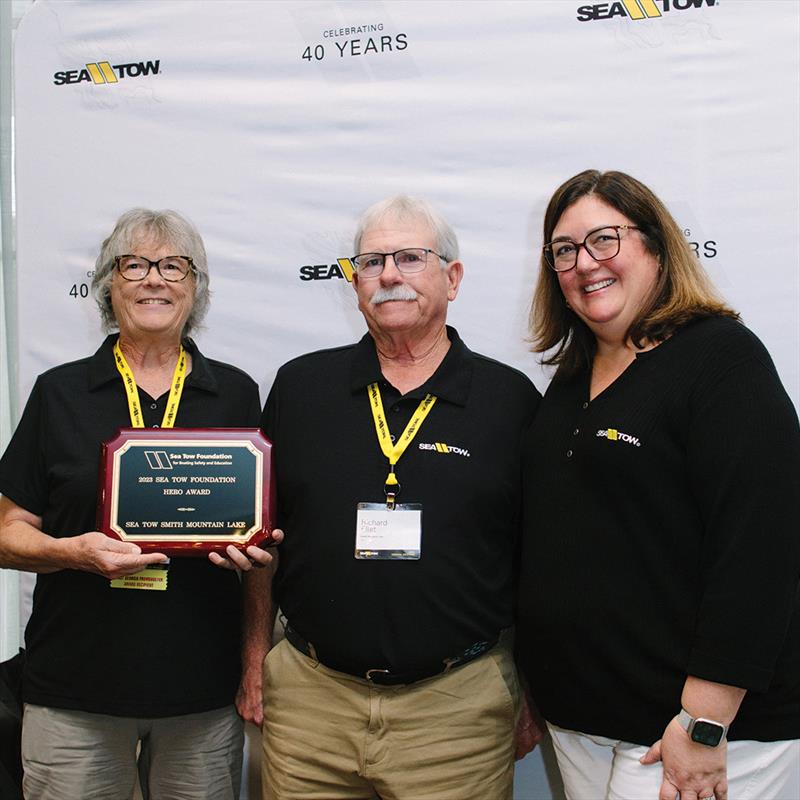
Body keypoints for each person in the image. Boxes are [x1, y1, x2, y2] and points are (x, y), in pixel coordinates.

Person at [516, 169, 800, 800]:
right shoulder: (571, 381)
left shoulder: (724, 362)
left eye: (604, 240)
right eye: (564, 250)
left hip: (692, 734)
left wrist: (704, 723)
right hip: (583, 725)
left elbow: (759, 554)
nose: (585, 263)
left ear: (656, 247)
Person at [257, 195, 542, 800]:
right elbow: (263, 543)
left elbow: (538, 563)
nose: (388, 275)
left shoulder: (510, 401)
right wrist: (254, 662)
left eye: (411, 257)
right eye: (370, 262)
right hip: (310, 706)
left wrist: (533, 694)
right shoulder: (300, 388)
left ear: (453, 277)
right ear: (354, 282)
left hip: (457, 713)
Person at [0, 209, 275, 800]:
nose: (155, 279)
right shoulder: (60, 392)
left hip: (201, 695)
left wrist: (255, 660)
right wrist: (69, 553)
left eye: (173, 266)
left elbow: (261, 555)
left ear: (195, 287)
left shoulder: (235, 392)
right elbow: (6, 531)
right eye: (135, 265)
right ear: (108, 284)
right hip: (74, 693)